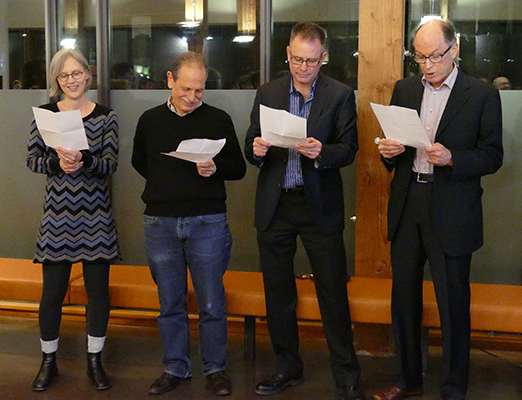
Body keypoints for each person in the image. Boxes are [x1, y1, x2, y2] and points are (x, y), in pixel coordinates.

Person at [372, 19, 503, 400]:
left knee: (452, 303)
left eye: (434, 56)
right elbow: (394, 150)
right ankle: (407, 378)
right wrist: (389, 152)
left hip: (452, 208)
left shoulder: (479, 95)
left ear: (455, 49)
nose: (427, 65)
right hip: (409, 200)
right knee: (405, 299)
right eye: (419, 57)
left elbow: (492, 156)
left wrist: (452, 159)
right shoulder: (405, 89)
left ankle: (452, 387)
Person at [244, 22, 365, 400]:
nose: (303, 67)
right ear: (288, 54)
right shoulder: (268, 92)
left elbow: (349, 148)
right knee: (278, 293)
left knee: (332, 292)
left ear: (323, 58)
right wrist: (257, 150)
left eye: (311, 61)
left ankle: (346, 374)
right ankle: (287, 367)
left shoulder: (340, 94)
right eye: (297, 59)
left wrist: (322, 152)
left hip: (319, 206)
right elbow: (250, 144)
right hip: (276, 203)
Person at [131, 51, 246, 396]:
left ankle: (215, 368)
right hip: (160, 222)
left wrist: (215, 169)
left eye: (199, 90)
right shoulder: (150, 120)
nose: (193, 97)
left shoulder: (218, 119)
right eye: (185, 89)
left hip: (207, 220)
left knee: (211, 301)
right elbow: (141, 162)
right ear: (169, 80)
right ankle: (175, 367)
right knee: (170, 302)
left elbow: (237, 168)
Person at [26, 48, 120, 392]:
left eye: (76, 73)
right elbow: (33, 159)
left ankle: (95, 361)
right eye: (64, 75)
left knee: (97, 293)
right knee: (52, 293)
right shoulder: (46, 115)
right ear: (57, 80)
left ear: (87, 74)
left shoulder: (106, 117)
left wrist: (85, 160)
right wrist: (57, 164)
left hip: (96, 216)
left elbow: (111, 163)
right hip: (57, 216)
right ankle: (48, 361)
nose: (71, 80)